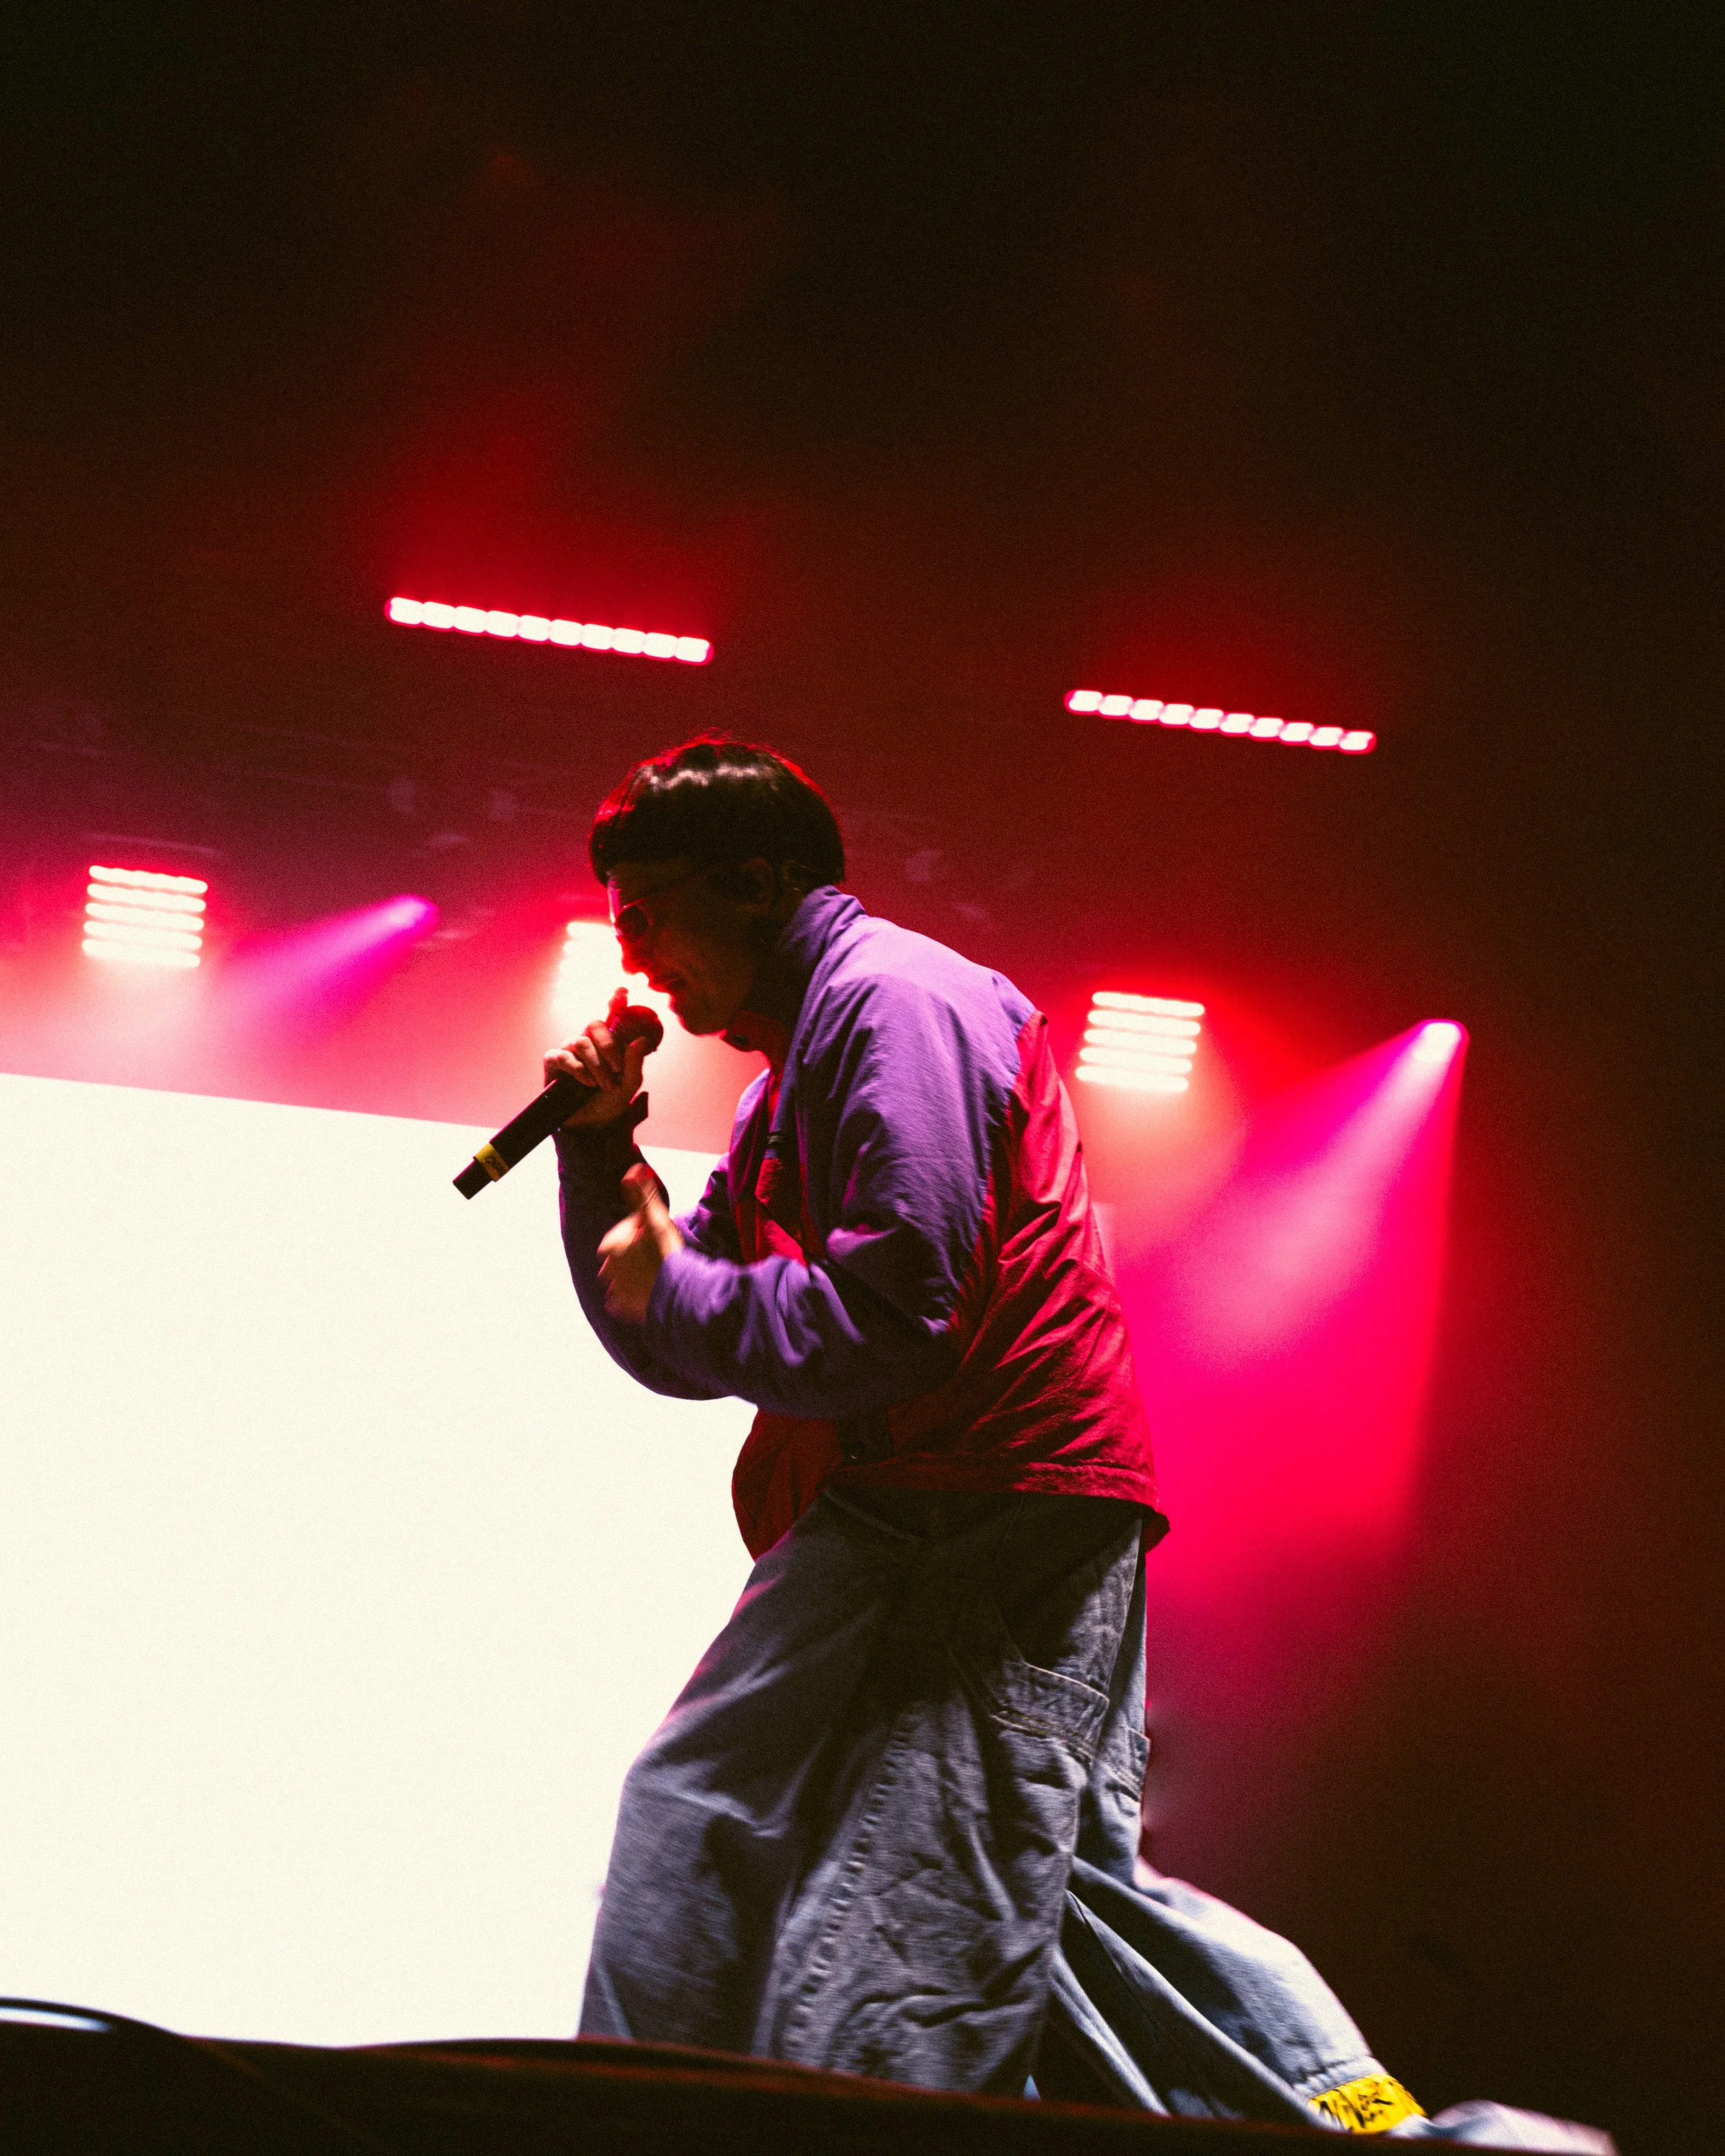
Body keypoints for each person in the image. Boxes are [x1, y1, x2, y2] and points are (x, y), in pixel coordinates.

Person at [546, 735, 1612, 2152]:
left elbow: (892, 1307)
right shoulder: (787, 1077)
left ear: (753, 881)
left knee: (903, 1930)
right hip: (910, 1508)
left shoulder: (895, 1002)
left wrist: (659, 1265)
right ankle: (1393, 2134)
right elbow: (683, 1331)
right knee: (1044, 1885)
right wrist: (598, 1149)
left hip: (981, 1511)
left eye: (648, 909)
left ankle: (638, 2113)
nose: (634, 951)